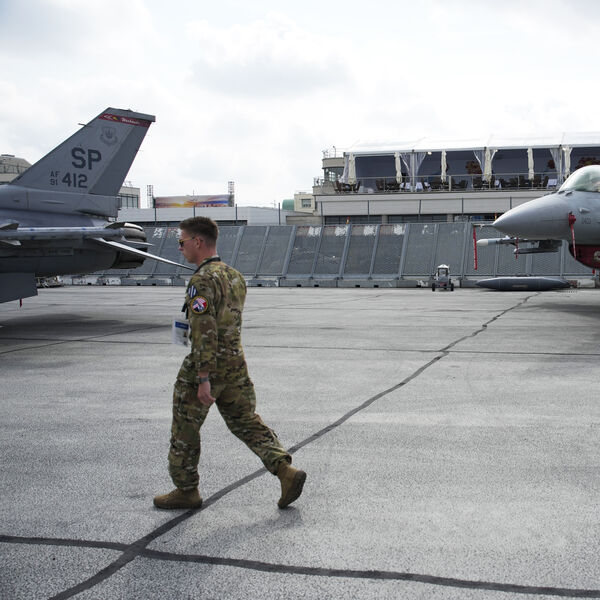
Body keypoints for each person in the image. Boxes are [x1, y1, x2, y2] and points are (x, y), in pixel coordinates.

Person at [154, 216, 306, 510]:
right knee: (246, 422)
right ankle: (285, 471)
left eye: (181, 242)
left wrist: (203, 377)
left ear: (198, 241)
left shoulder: (201, 281)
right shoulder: (234, 276)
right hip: (235, 365)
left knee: (185, 429)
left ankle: (186, 490)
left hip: (207, 366)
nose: (180, 248)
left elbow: (204, 330)